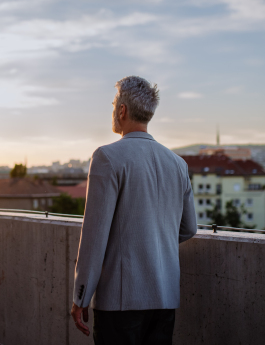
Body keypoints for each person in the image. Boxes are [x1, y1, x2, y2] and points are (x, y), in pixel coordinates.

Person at [70, 76, 197, 345]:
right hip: (164, 300)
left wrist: (80, 297)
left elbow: (94, 237)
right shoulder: (178, 164)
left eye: (114, 103)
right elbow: (189, 228)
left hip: (120, 303)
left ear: (122, 110)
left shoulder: (107, 157)